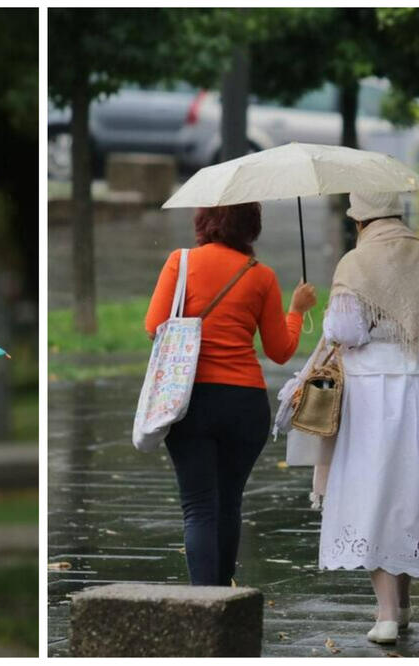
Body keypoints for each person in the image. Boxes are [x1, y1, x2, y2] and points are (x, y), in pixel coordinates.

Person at [315, 191, 419, 644]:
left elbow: (345, 332)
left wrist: (329, 318)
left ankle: (386, 613)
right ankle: (402, 604)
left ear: (360, 220)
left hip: (373, 388)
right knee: (411, 487)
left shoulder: (355, 264)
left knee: (375, 489)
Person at [144, 202, 317, 586]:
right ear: (250, 228)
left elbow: (154, 325)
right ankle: (224, 599)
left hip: (190, 401)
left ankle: (205, 606)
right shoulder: (262, 276)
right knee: (228, 503)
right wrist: (296, 309)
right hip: (245, 405)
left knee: (199, 506)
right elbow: (279, 350)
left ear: (204, 221)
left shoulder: (181, 262)